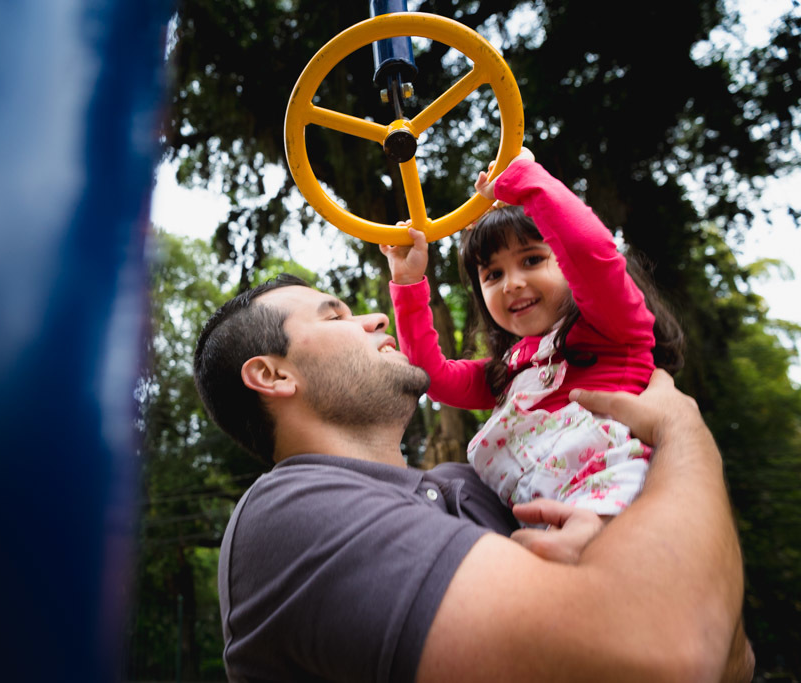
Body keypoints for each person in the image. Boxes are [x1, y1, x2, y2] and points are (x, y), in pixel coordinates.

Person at [193, 274, 752, 682]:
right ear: (272, 374)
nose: (376, 318)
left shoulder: (484, 484)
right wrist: (683, 432)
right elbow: (672, 649)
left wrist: (618, 551)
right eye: (335, 316)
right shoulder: (289, 514)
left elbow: (731, 652)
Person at [381, 148, 684, 518]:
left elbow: (589, 251)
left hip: (615, 499)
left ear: (565, 262)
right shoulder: (508, 371)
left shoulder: (613, 326)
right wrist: (409, 282)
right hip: (540, 523)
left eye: (532, 260)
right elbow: (431, 376)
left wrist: (525, 179)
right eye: (493, 274)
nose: (512, 284)